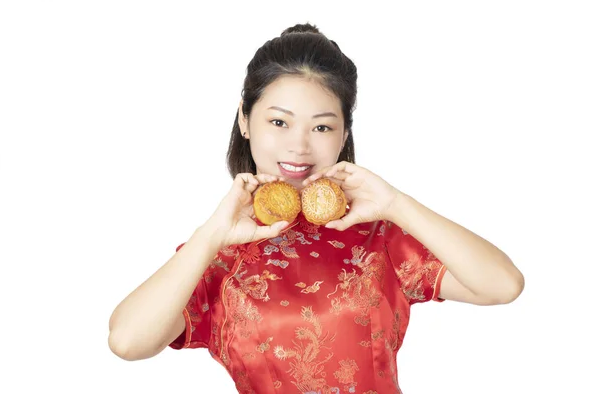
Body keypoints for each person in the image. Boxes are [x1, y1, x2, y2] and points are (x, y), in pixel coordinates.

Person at [108, 23, 525, 394]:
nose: (299, 146)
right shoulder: (217, 254)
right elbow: (127, 341)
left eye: (322, 126)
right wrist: (211, 234)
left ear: (344, 135)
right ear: (245, 120)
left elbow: (503, 285)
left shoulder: (376, 236)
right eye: (279, 122)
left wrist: (397, 205)